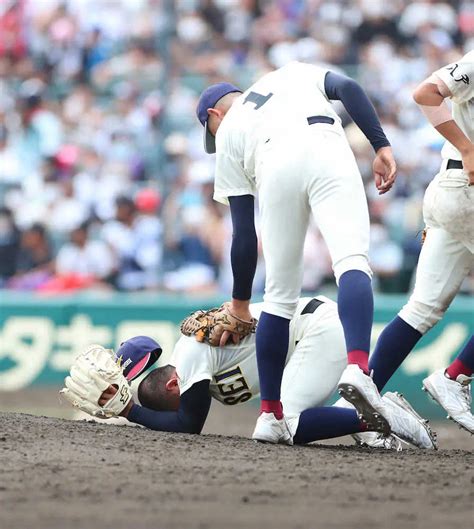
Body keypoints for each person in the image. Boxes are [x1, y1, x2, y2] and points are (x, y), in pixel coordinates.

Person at [195, 61, 397, 443]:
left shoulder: (230, 134)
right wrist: (380, 145)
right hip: (325, 147)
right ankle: (357, 367)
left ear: (213, 115)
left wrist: (239, 303)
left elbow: (242, 234)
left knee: (279, 298)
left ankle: (269, 415)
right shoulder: (288, 73)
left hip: (273, 166)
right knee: (351, 262)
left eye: (210, 130)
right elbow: (349, 87)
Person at [67, 296, 435, 449]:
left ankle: (381, 418)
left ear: (174, 382)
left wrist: (131, 412)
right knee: (280, 419)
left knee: (282, 424)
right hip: (312, 337)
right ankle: (369, 416)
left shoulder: (191, 354)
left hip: (320, 329)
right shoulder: (192, 361)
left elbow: (188, 424)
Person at [368, 51, 474, 434]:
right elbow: (426, 93)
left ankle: (366, 397)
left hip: (451, 192)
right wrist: (467, 147)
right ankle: (454, 376)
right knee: (421, 307)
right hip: (466, 187)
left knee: (422, 309)